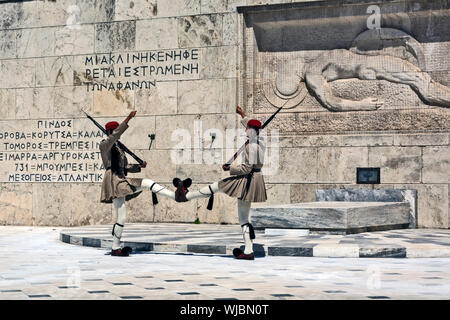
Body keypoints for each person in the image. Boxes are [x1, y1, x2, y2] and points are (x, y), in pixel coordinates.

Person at [174, 106, 267, 260]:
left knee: (221, 189)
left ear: (252, 131)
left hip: (247, 180)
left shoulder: (251, 147)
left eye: (248, 128)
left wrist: (230, 168)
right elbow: (252, 129)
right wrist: (243, 115)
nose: (245, 131)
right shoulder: (260, 142)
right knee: (243, 216)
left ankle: (186, 195)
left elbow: (246, 168)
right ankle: (249, 249)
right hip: (255, 179)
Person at [100, 111, 177, 256]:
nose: (118, 134)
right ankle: (116, 247)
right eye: (115, 130)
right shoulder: (105, 145)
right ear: (110, 132)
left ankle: (175, 196)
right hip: (114, 181)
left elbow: (125, 167)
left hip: (121, 179)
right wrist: (128, 119)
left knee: (144, 186)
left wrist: (138, 166)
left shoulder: (118, 148)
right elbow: (115, 136)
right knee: (124, 212)